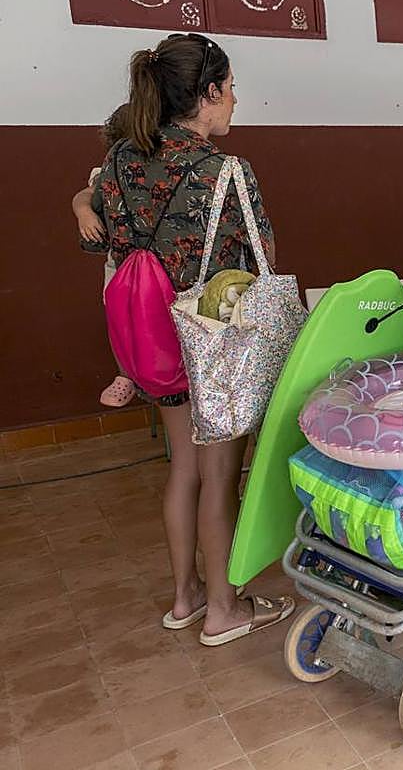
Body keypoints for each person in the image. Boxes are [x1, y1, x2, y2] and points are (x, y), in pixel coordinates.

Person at [88, 33, 293, 645]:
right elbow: (265, 259)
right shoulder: (225, 170)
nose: (234, 100)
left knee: (182, 468)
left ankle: (186, 598)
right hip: (212, 345)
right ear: (206, 93)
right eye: (229, 89)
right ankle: (226, 610)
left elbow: (95, 235)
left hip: (148, 338)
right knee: (219, 475)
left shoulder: (123, 158)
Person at [73, 105, 137, 407]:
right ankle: (125, 373)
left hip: (159, 267)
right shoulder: (108, 171)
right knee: (118, 317)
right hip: (120, 265)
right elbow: (83, 195)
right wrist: (84, 212)